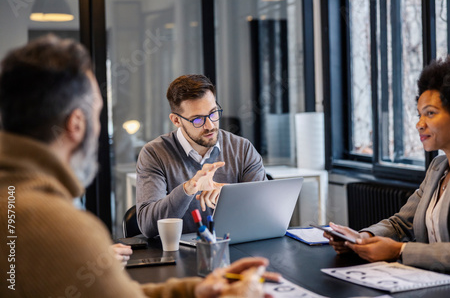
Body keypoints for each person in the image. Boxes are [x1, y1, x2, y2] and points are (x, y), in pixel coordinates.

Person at [0, 35, 277, 297]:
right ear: (76, 125)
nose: (209, 124)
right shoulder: (65, 228)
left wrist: (192, 291)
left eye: (213, 113)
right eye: (97, 114)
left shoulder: (17, 203)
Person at [326, 56, 450, 275]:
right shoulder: (439, 166)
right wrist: (362, 237)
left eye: (430, 113)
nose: (419, 124)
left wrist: (400, 250)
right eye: (419, 115)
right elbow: (401, 224)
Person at [136, 74, 266, 237]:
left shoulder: (242, 148)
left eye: (213, 113)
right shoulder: (154, 154)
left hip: (235, 248)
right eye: (198, 120)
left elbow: (264, 211)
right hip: (178, 256)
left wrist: (230, 195)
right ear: (176, 120)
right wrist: (188, 188)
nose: (210, 125)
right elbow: (148, 225)